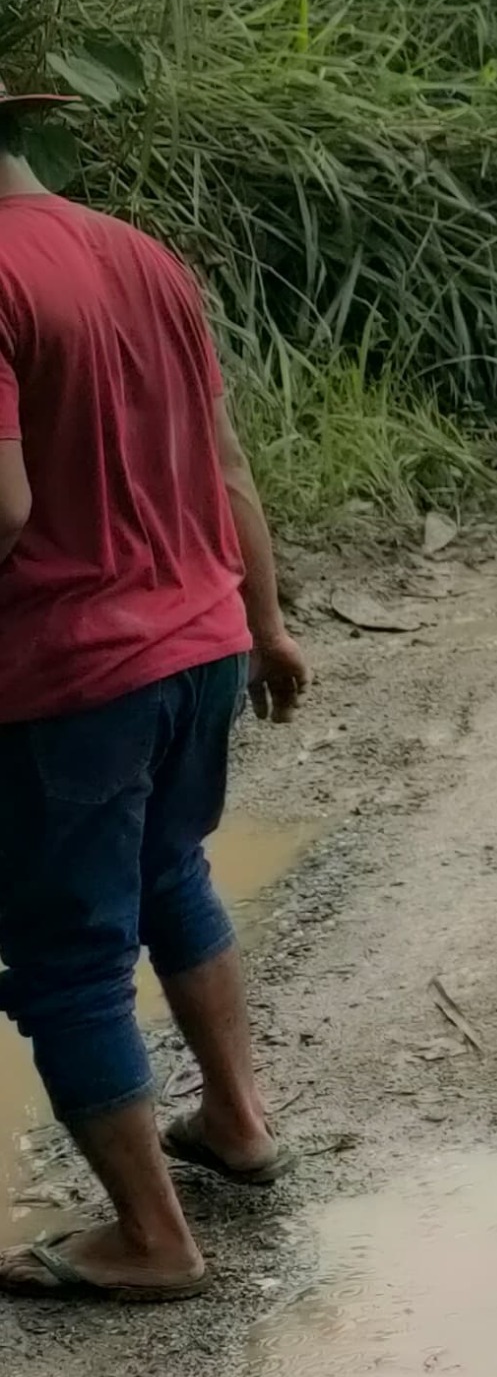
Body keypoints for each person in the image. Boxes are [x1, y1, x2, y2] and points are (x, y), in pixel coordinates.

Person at [0, 81, 311, 1305]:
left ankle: (152, 1239)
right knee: (170, 872)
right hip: (198, 644)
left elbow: (8, 509)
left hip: (68, 676)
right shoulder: (139, 255)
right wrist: (269, 624)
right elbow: (225, 460)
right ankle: (237, 1120)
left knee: (63, 955)